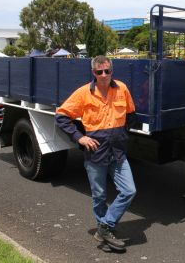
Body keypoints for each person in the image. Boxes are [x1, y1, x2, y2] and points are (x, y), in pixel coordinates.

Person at [55, 55, 137, 251]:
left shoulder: (122, 89)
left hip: (117, 151)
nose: (103, 75)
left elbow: (131, 115)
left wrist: (122, 135)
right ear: (93, 73)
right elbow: (61, 116)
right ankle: (106, 232)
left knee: (129, 190)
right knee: (99, 195)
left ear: (112, 71)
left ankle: (104, 227)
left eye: (107, 71)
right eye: (99, 72)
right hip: (96, 152)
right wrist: (80, 138)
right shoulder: (84, 93)